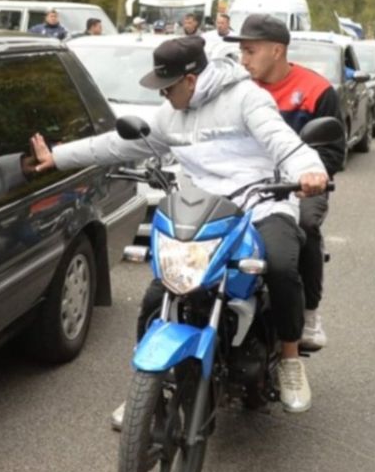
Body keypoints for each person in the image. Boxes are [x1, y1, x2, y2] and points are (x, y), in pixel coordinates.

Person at [29, 36, 329, 418]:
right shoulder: (171, 114)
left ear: (191, 79)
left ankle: (289, 359)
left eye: (167, 87)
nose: (164, 96)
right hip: (206, 213)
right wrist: (56, 157)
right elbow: (116, 145)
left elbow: (282, 141)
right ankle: (147, 393)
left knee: (283, 266)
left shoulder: (246, 98)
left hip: (261, 204)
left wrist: (308, 170)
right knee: (159, 294)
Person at [227, 14, 344, 351]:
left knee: (304, 226)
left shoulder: (317, 90)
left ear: (277, 50)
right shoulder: (236, 90)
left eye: (251, 52)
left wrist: (307, 179)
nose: (243, 60)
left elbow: (333, 154)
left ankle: (309, 314)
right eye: (242, 52)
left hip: (298, 186)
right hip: (244, 183)